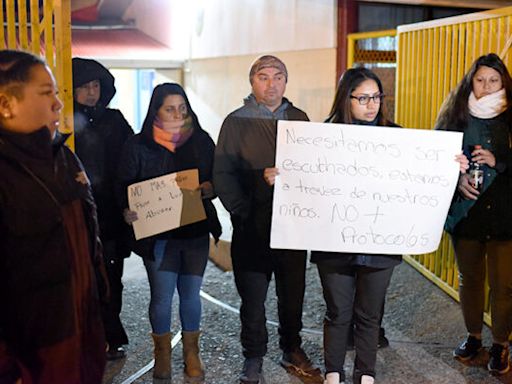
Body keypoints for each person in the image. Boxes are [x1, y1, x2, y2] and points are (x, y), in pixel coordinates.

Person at [0, 50, 108, 383]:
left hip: (79, 339)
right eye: (46, 94)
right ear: (6, 104)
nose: (58, 105)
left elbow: (90, 246)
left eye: (57, 94)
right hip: (32, 357)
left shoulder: (66, 160)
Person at [214, 55, 322, 384]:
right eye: (263, 77)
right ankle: (253, 356)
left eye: (278, 77)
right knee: (253, 299)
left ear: (286, 83)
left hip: (292, 228)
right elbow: (222, 174)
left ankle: (292, 347)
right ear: (252, 82)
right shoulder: (236, 122)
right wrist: (244, 209)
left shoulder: (299, 119)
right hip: (252, 228)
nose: (271, 83)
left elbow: (316, 168)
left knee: (292, 296)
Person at [117, 83, 221, 381]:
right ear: (156, 111)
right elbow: (123, 185)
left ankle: (192, 353)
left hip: (195, 232)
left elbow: (215, 178)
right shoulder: (138, 145)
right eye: (170, 108)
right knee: (161, 297)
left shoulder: (201, 141)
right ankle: (161, 353)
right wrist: (127, 210)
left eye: (182, 108)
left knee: (191, 295)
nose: (177, 113)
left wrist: (210, 188)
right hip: (158, 236)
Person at [436, 53, 512, 376]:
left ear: (503, 82)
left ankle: (500, 344)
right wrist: (458, 178)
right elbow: (436, 157)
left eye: (493, 80)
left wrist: (500, 162)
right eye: (480, 79)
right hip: (465, 214)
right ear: (471, 80)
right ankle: (473, 336)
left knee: (504, 284)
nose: (485, 86)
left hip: (505, 213)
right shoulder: (455, 112)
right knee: (469, 280)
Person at [72, 57, 134, 360]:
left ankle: (111, 334)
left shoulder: (115, 120)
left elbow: (132, 159)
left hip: (110, 215)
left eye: (95, 85)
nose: (91, 92)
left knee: (111, 278)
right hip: (75, 215)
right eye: (83, 86)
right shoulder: (65, 121)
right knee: (80, 280)